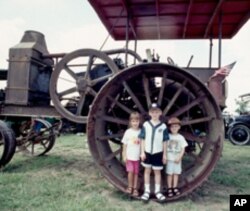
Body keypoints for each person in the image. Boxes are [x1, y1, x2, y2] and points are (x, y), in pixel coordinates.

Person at [139, 103, 169, 202]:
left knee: (157, 172)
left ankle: (157, 192)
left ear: (160, 113)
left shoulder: (163, 126)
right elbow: (142, 138)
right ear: (149, 113)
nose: (154, 114)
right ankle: (146, 191)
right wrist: (142, 152)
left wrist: (164, 154)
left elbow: (165, 141)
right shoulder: (146, 125)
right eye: (152, 112)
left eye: (156, 112)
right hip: (147, 152)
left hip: (158, 152)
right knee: (147, 171)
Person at [165, 117, 188, 197]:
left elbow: (183, 149)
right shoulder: (167, 136)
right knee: (169, 174)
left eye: (176, 126)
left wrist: (179, 157)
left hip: (177, 159)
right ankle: (169, 188)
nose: (174, 128)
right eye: (172, 127)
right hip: (169, 159)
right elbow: (164, 146)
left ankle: (175, 187)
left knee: (176, 174)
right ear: (169, 128)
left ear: (179, 127)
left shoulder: (181, 137)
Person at [122, 112, 141, 197]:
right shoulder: (128, 132)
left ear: (139, 122)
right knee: (130, 172)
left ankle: (135, 188)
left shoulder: (141, 132)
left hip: (137, 157)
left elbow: (143, 143)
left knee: (136, 173)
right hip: (129, 156)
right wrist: (124, 155)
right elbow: (124, 144)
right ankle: (130, 187)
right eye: (133, 121)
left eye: (136, 121)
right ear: (130, 122)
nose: (135, 123)